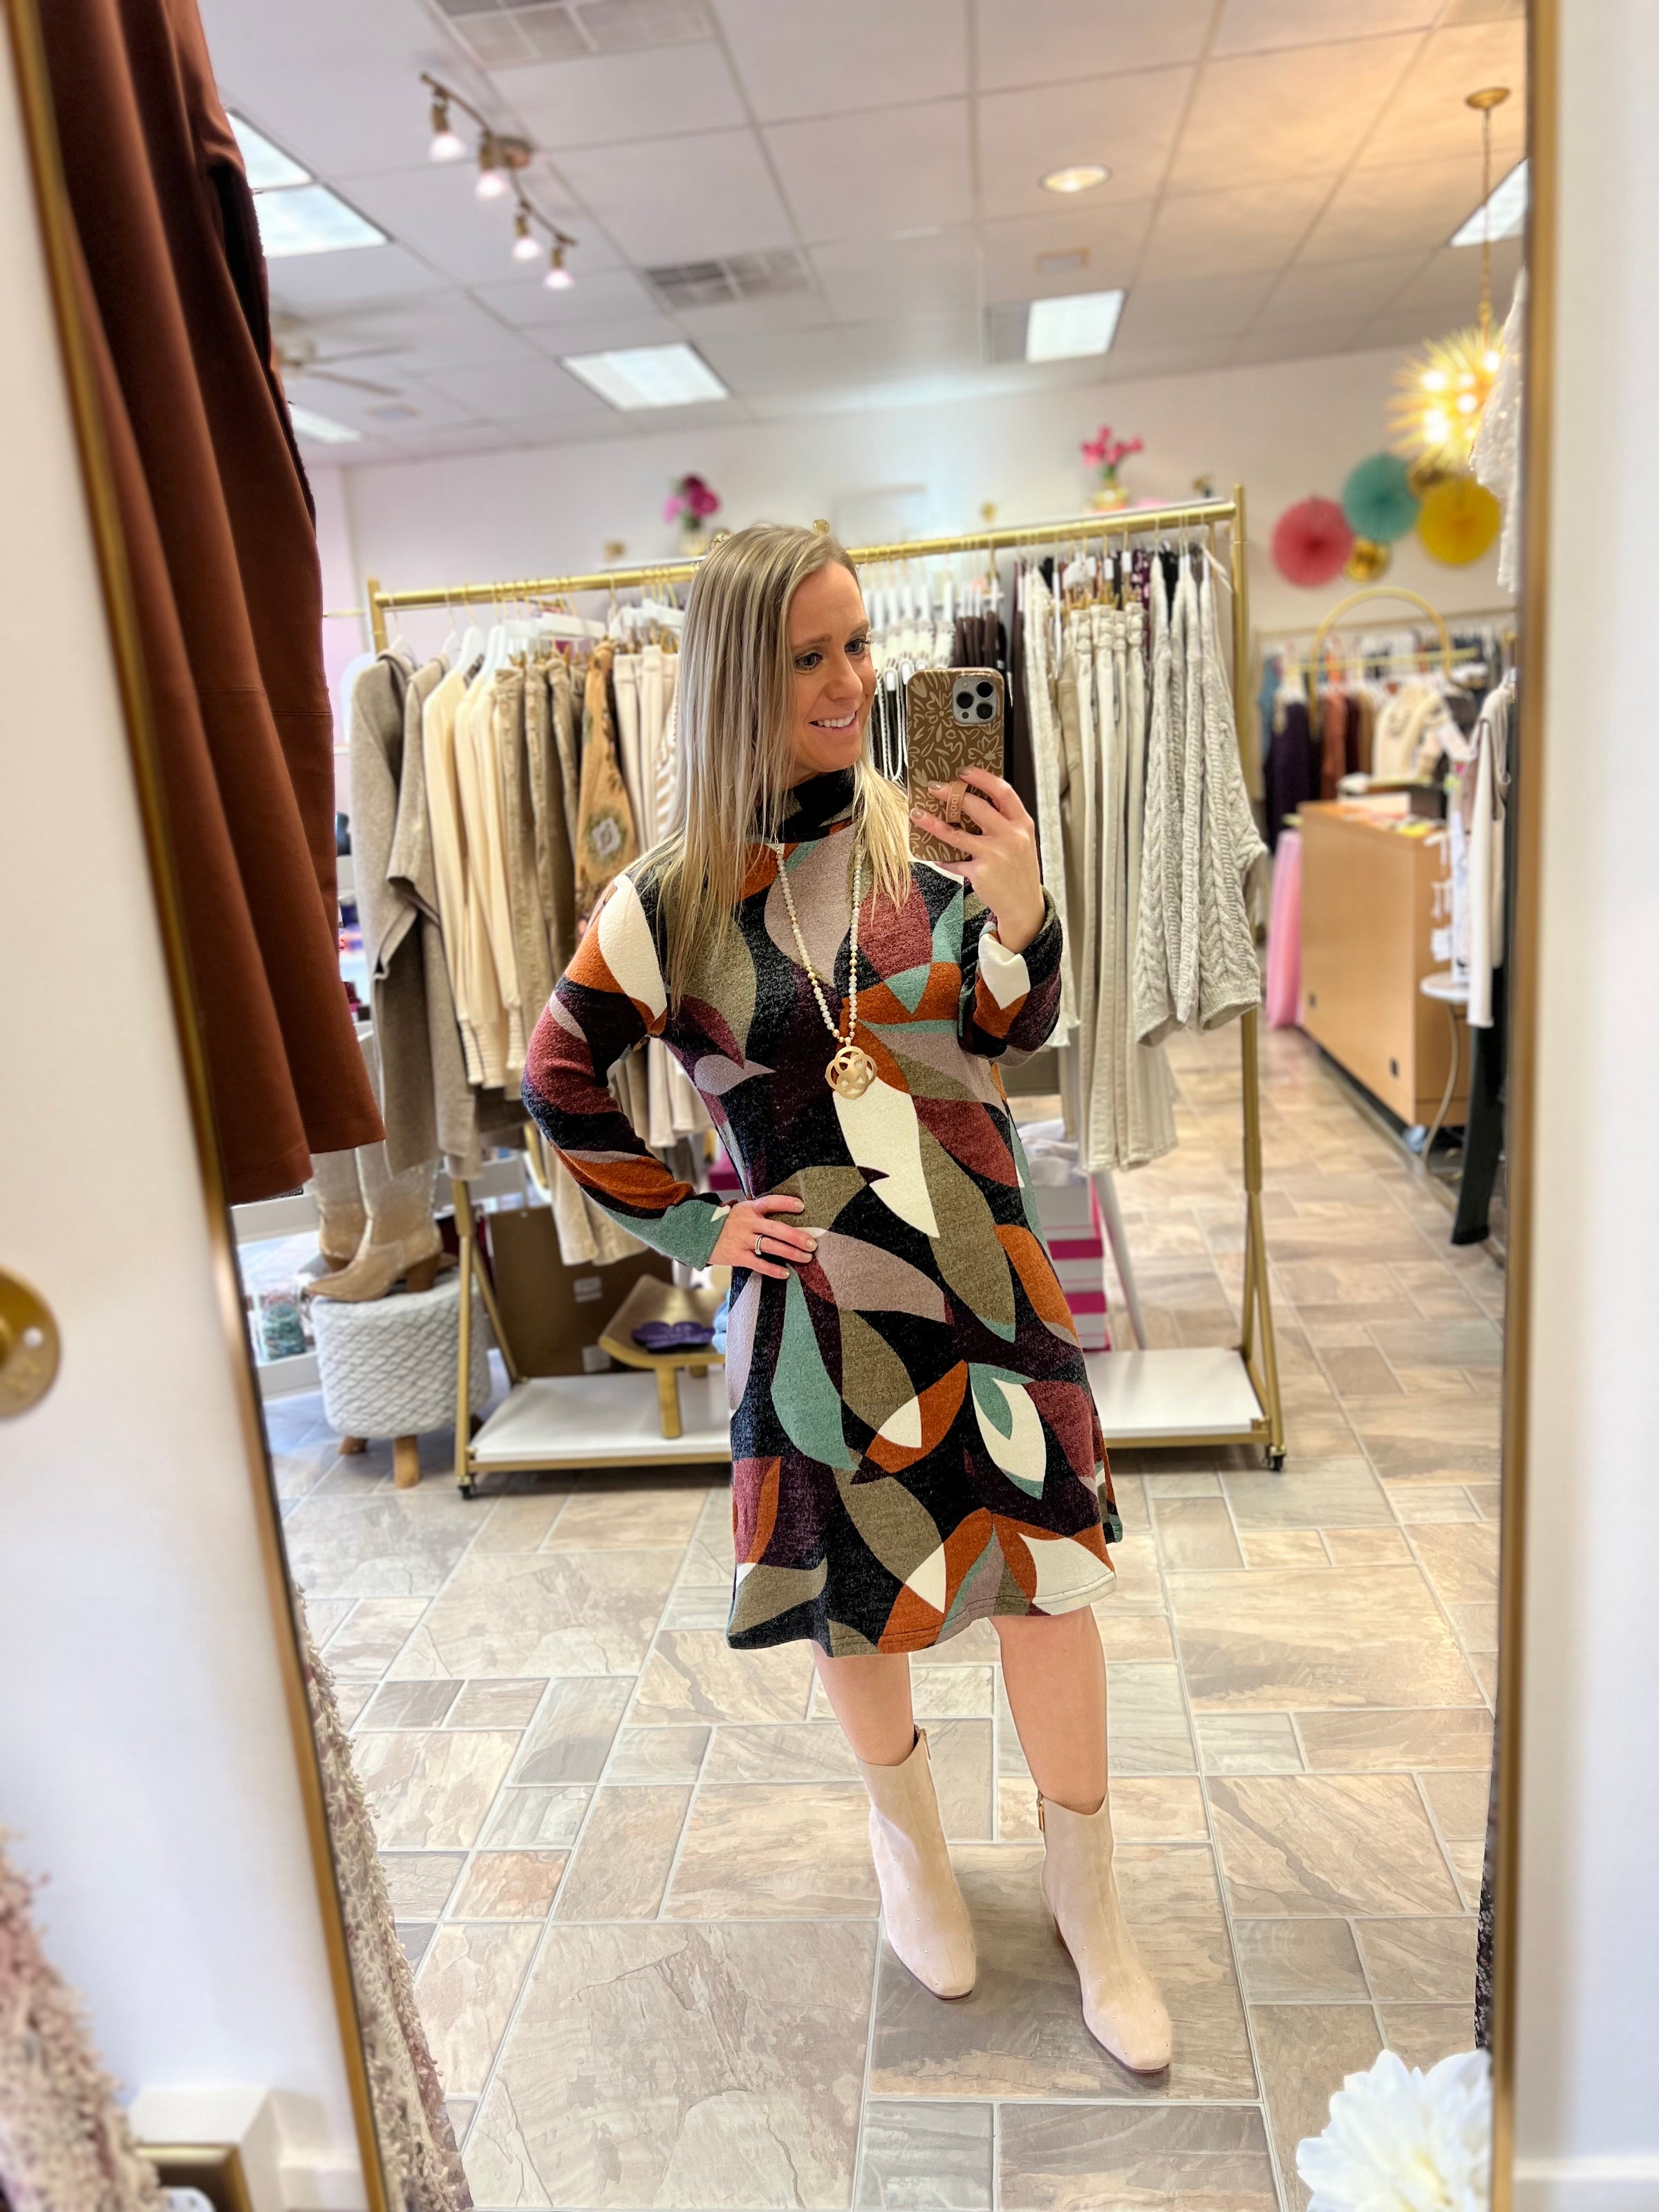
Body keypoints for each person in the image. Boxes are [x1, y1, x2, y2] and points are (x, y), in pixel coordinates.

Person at [522, 523, 1170, 2072]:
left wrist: (1024, 911)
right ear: (736, 677)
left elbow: (1009, 1031)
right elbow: (557, 1077)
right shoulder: (671, 900)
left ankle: (1092, 1902)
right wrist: (696, 1222)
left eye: (860, 644)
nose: (850, 681)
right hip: (813, 1308)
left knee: (1048, 1581)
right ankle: (913, 1861)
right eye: (808, 656)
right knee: (852, 1592)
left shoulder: (926, 836)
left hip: (986, 1278)